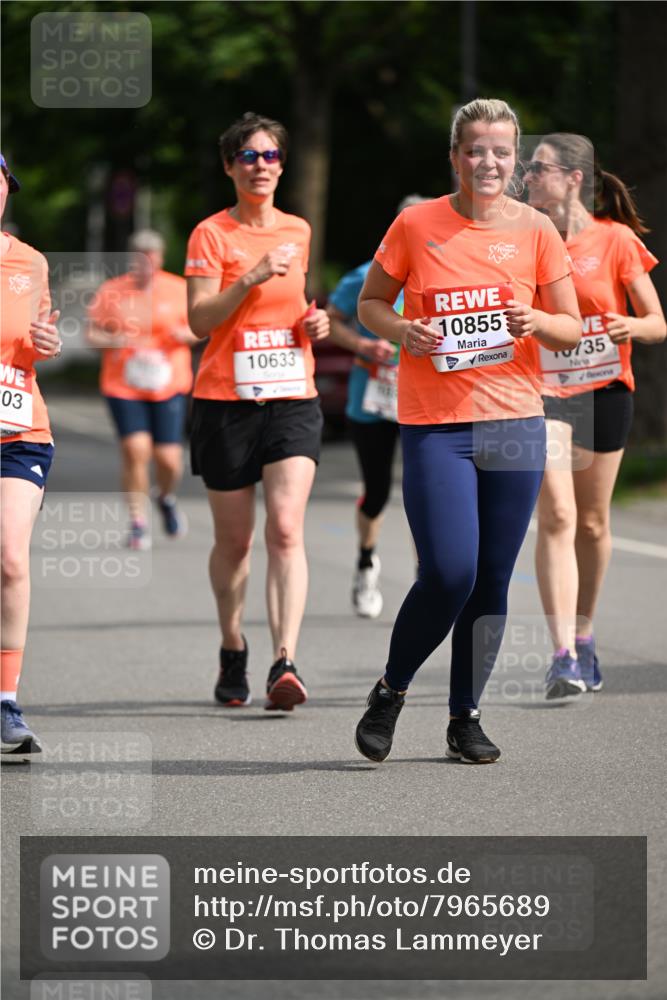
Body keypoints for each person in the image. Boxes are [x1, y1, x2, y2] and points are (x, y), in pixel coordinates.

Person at [353, 98, 581, 765]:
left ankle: (465, 718)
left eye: (501, 152)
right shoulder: (415, 223)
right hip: (436, 425)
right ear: (454, 156)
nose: (488, 162)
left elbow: (571, 328)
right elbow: (370, 303)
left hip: (513, 420)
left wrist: (534, 319)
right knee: (449, 571)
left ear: (514, 162)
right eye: (475, 149)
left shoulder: (536, 229)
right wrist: (402, 330)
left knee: (490, 582)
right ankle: (391, 691)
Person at [185, 112, 329, 711]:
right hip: (225, 401)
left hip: (293, 395)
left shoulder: (297, 229)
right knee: (237, 543)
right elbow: (198, 321)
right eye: (249, 157)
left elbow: (298, 303)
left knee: (287, 528)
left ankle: (284, 660)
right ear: (229, 167)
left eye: (271, 156)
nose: (261, 167)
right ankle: (233, 644)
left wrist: (314, 324)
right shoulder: (210, 235)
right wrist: (246, 276)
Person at [525, 133, 666, 699]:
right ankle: (561, 655)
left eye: (539, 169)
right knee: (557, 514)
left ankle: (584, 635)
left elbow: (657, 322)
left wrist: (630, 326)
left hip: (606, 389)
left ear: (573, 178)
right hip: (546, 392)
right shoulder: (525, 238)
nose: (528, 178)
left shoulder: (616, 241)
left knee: (592, 521)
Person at [326, 195, 429, 619]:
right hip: (372, 400)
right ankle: (367, 563)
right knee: (378, 491)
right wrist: (361, 343)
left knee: (427, 493)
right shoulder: (365, 275)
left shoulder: (447, 275)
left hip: (424, 401)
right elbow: (331, 319)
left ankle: (430, 577)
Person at [1, 153, 61, 761]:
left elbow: (34, 341)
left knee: (10, 559)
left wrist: (46, 342)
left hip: (20, 429)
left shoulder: (30, 261)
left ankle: (6, 702)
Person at [87, 230, 197, 550]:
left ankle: (164, 496)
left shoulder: (179, 289)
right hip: (124, 384)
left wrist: (186, 333)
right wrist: (113, 340)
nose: (145, 263)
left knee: (169, 460)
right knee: (135, 451)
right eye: (139, 257)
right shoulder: (112, 291)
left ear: (160, 259)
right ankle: (138, 523)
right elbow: (92, 333)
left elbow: (201, 325)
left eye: (152, 256)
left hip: (168, 383)